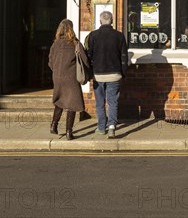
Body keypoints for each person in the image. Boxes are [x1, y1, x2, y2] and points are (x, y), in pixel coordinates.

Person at [87, 11, 129, 139]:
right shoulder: (119, 36)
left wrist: (90, 73)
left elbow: (89, 57)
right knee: (113, 101)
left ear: (100, 21)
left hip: (98, 74)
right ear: (112, 21)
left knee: (100, 102)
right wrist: (123, 72)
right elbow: (124, 57)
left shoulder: (93, 36)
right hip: (115, 74)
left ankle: (101, 128)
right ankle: (111, 127)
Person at [48, 19, 88, 141]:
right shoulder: (75, 43)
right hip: (71, 77)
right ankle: (69, 132)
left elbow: (50, 62)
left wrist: (57, 72)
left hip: (58, 77)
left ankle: (54, 125)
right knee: (72, 103)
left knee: (60, 100)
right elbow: (85, 60)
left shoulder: (55, 44)